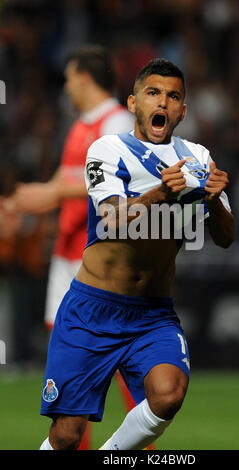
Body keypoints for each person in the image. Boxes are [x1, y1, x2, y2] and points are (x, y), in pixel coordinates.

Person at [39, 58, 235, 450]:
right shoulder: (108, 150)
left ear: (183, 110)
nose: (162, 102)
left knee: (169, 393)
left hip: (152, 314)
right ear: (133, 103)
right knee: (67, 435)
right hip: (92, 310)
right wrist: (161, 193)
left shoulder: (197, 157)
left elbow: (226, 237)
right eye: (153, 93)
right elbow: (111, 218)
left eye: (173, 96)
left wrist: (214, 203)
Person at [2, 44, 135, 449]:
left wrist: (46, 193)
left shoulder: (116, 122)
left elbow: (115, 182)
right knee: (72, 363)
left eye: (69, 77)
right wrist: (17, 202)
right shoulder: (82, 124)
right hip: (67, 256)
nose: (65, 86)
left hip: (95, 258)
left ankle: (141, 443)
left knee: (109, 358)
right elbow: (60, 185)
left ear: (83, 78)